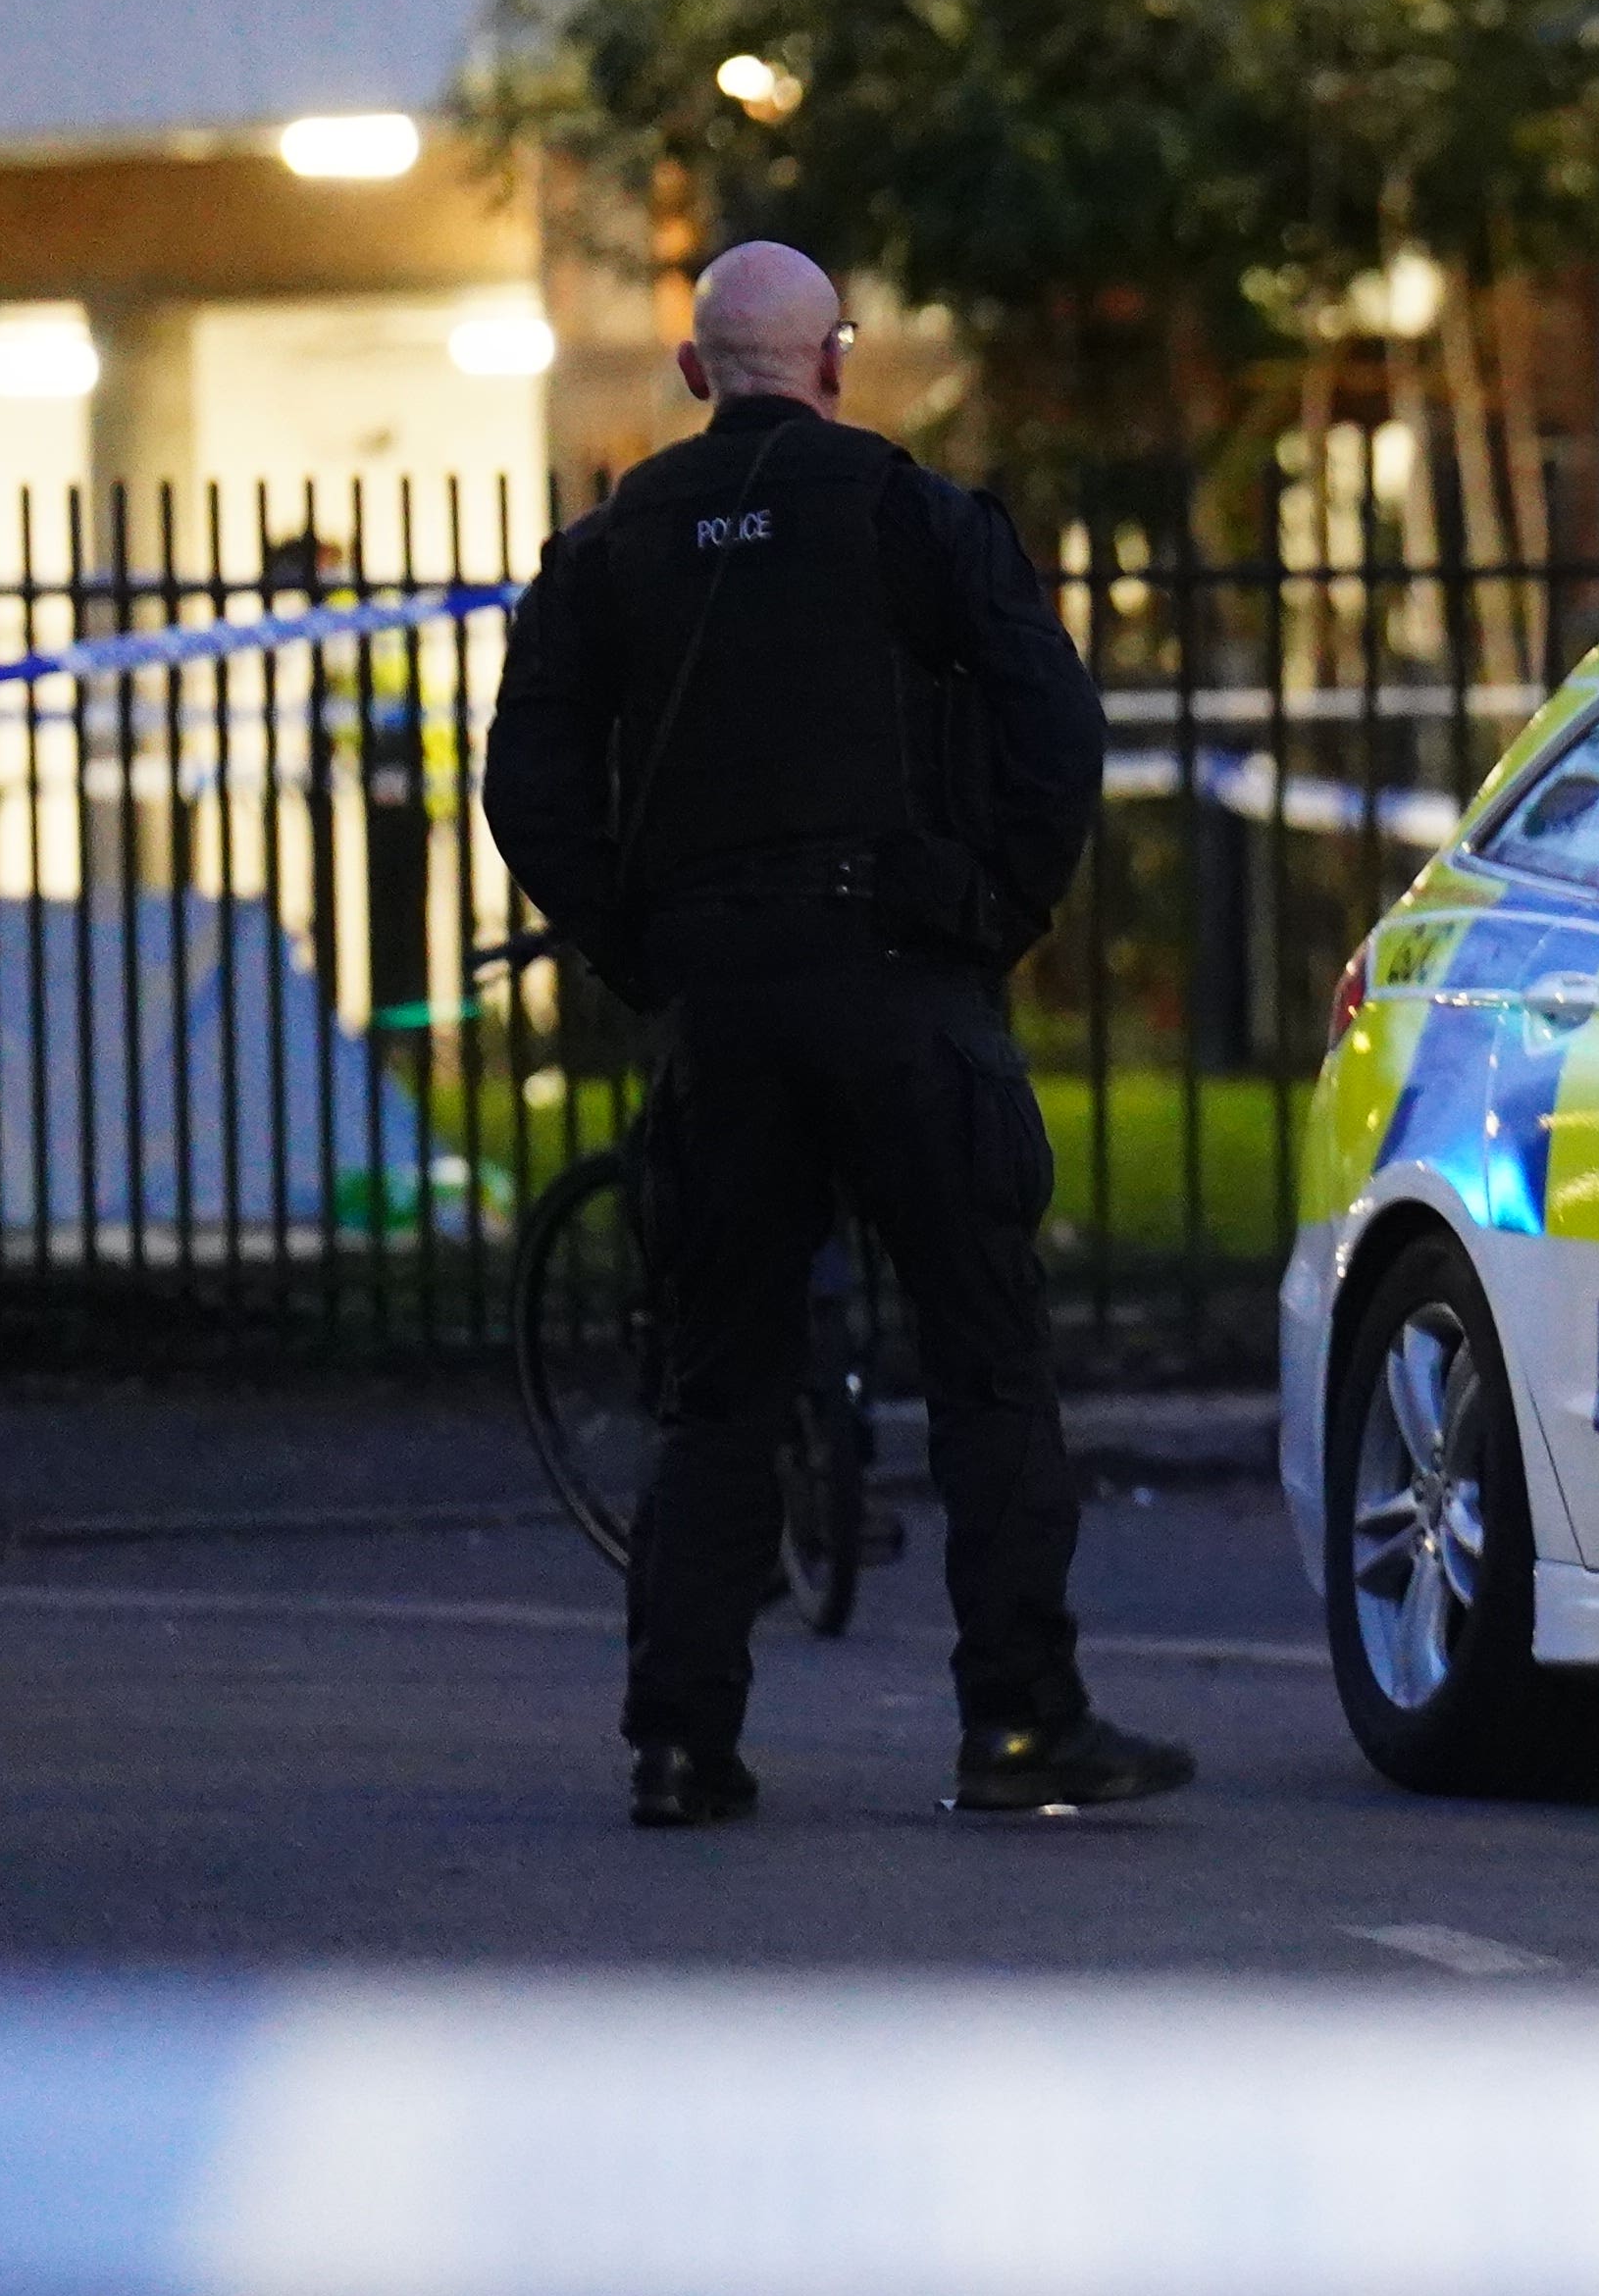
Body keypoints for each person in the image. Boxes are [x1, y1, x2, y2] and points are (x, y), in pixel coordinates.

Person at [484, 243, 1194, 1828]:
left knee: (717, 1378)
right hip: (899, 977)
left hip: (719, 1010)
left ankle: (682, 1741)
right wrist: (992, 910)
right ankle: (1019, 1722)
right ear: (835, 362)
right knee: (986, 1361)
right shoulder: (910, 514)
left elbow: (526, 783)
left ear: (692, 377)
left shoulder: (608, 550)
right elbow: (1052, 722)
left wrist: (641, 945)